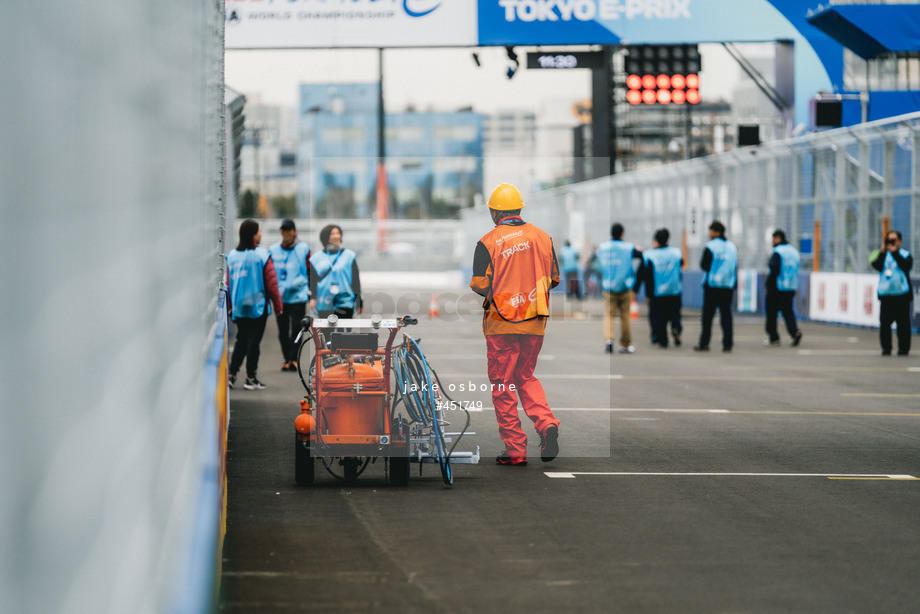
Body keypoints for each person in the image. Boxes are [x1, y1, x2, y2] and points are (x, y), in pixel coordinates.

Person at [470, 183, 561, 466]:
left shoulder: (487, 241)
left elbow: (479, 284)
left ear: (494, 212)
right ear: (519, 209)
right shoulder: (543, 237)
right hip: (535, 320)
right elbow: (554, 277)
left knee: (503, 385)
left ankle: (515, 451)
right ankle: (546, 424)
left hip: (501, 324)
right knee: (526, 377)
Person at [226, 219, 283, 390]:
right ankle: (250, 377)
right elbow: (271, 284)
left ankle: (232, 374)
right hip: (258, 307)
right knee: (253, 342)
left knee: (241, 340)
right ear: (252, 234)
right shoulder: (262, 255)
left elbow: (228, 285)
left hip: (239, 307)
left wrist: (230, 307)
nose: (261, 234)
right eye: (258, 231)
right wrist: (278, 306)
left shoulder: (232, 256)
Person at [269, 219, 311, 371]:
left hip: (298, 297)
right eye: (283, 230)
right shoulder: (273, 250)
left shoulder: (303, 249)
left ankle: (293, 359)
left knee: (296, 329)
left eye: (289, 230)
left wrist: (311, 293)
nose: (286, 233)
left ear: (295, 232)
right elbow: (269, 273)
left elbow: (310, 270)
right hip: (280, 297)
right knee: (282, 331)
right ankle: (287, 358)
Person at [597, 223, 643, 354]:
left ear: (611, 233)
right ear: (622, 233)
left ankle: (609, 340)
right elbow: (642, 256)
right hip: (625, 287)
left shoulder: (603, 248)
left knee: (609, 315)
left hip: (608, 287)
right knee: (625, 316)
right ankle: (625, 344)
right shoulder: (629, 248)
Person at [694, 221, 737, 353]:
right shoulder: (732, 247)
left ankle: (704, 343)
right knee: (726, 316)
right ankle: (728, 344)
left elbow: (704, 265)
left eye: (711, 231)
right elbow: (735, 266)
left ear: (716, 232)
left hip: (712, 286)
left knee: (707, 317)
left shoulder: (711, 246)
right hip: (727, 286)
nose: (709, 233)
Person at [871, 230, 913, 356]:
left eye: (894, 240)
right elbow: (876, 266)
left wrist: (895, 253)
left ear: (900, 241)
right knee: (884, 324)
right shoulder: (883, 255)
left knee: (903, 325)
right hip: (886, 295)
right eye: (889, 240)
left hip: (901, 295)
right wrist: (883, 252)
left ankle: (903, 349)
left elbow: (906, 266)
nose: (891, 243)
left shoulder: (905, 254)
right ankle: (886, 348)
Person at [309, 224, 362, 319]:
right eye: (332, 234)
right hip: (324, 302)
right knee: (326, 333)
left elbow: (356, 281)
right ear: (325, 237)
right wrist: (312, 297)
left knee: (344, 333)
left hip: (345, 302)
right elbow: (312, 281)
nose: (336, 236)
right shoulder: (316, 258)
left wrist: (359, 302)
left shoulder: (349, 256)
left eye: (338, 233)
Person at [641, 228, 683, 348]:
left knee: (660, 319)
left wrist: (648, 294)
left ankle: (663, 341)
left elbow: (648, 277)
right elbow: (680, 269)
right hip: (675, 290)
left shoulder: (650, 255)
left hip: (658, 292)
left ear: (655, 240)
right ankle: (676, 329)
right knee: (675, 314)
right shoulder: (676, 253)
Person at [764, 229, 802, 347]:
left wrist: (769, 283)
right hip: (791, 286)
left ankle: (773, 337)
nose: (772, 241)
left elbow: (774, 268)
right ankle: (794, 332)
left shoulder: (778, 252)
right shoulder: (794, 252)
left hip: (777, 287)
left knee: (771, 312)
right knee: (788, 311)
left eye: (773, 239)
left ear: (778, 239)